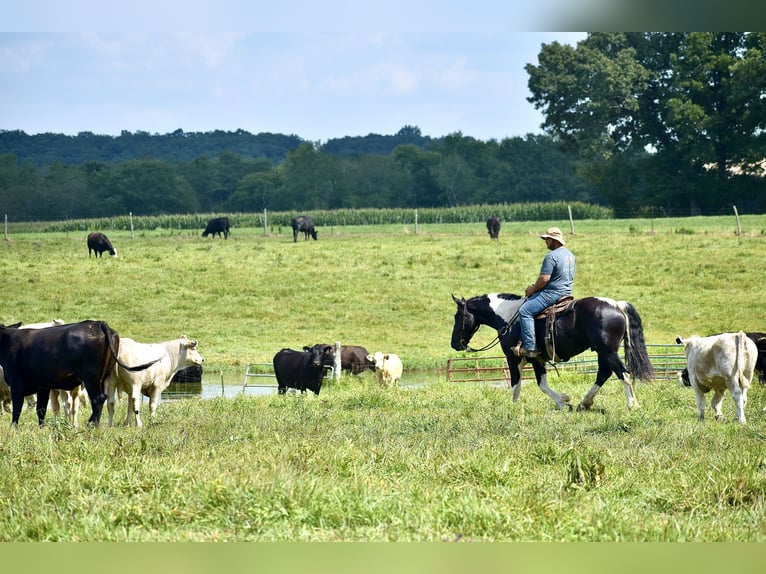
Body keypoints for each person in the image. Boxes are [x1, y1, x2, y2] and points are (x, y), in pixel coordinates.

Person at [515, 227, 576, 359]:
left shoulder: (551, 256)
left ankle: (530, 347)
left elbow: (544, 279)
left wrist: (532, 289)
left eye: (547, 239)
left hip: (552, 294)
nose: (545, 242)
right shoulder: (571, 256)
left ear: (554, 240)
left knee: (525, 311)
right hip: (567, 293)